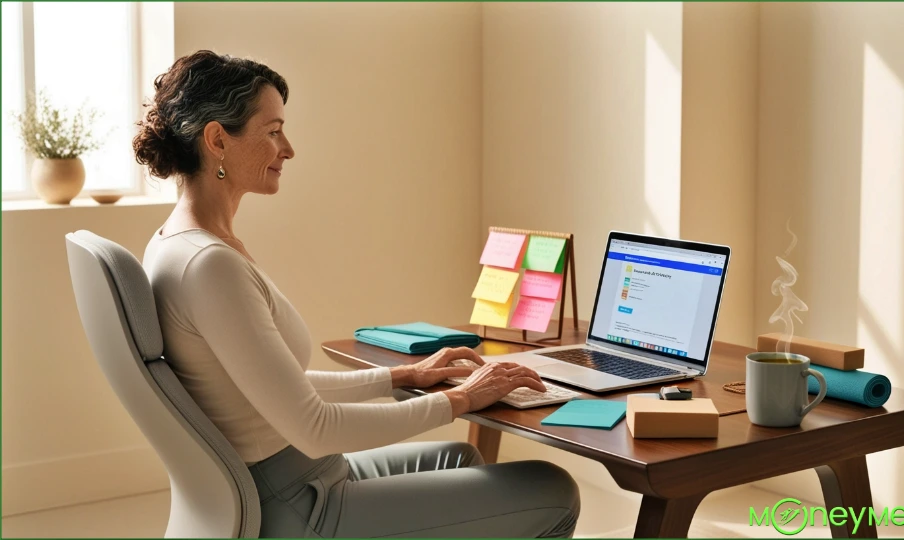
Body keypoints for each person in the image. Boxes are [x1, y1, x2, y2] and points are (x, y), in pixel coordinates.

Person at [135, 50, 580, 538]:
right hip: (302, 507)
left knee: (461, 456)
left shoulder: (176, 244)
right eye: (273, 130)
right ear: (218, 139)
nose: (288, 149)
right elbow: (315, 427)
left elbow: (280, 388)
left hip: (299, 478)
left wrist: (404, 375)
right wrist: (463, 399)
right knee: (555, 489)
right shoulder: (210, 266)